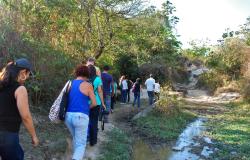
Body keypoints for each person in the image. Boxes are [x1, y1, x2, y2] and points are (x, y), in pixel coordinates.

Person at [0, 58, 39, 160]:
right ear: (22, 72)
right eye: (28, 73)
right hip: (7, 136)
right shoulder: (20, 89)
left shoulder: (1, 86)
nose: (28, 77)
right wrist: (34, 136)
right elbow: (25, 116)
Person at [65, 65, 97, 160]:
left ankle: (76, 155)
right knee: (81, 144)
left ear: (77, 73)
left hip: (68, 116)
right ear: (87, 74)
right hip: (81, 117)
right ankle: (76, 157)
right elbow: (94, 103)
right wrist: (86, 108)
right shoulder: (88, 85)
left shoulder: (69, 83)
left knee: (76, 138)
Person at [87, 65, 106, 146]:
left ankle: (86, 138)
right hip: (96, 103)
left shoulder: (85, 79)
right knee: (94, 122)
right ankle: (93, 141)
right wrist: (103, 103)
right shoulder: (97, 79)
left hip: (86, 103)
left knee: (86, 122)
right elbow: (100, 91)